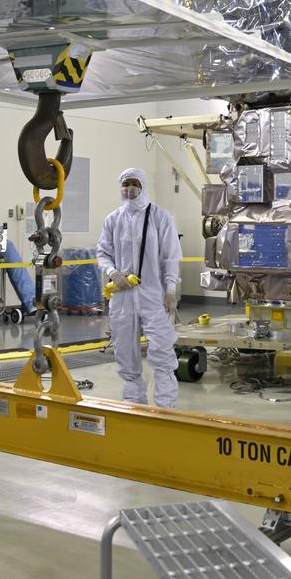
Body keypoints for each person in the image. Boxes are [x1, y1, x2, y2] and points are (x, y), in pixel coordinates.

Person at [96, 167, 183, 408]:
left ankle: (166, 407)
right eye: (125, 184)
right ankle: (133, 404)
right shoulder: (113, 219)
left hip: (154, 297)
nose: (130, 188)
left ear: (143, 186)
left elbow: (171, 257)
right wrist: (113, 273)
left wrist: (170, 290)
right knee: (125, 352)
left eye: (135, 183)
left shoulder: (160, 217)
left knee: (162, 351)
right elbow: (102, 252)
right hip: (123, 298)